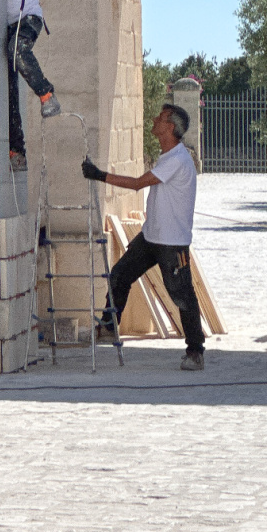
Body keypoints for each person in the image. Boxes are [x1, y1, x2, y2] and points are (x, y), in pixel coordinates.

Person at [82, 101, 205, 371]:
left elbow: (138, 184)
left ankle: (195, 352)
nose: (154, 120)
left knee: (182, 294)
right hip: (152, 236)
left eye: (160, 118)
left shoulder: (177, 159)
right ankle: (108, 326)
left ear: (170, 127)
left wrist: (99, 175)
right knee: (120, 274)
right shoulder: (168, 156)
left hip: (172, 242)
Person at [3, 0, 60, 170]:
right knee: (8, 88)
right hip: (6, 26)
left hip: (28, 19)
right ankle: (17, 151)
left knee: (17, 49)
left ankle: (47, 95)